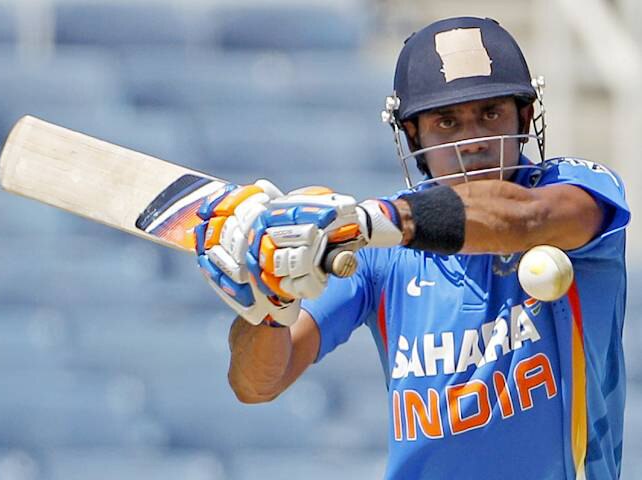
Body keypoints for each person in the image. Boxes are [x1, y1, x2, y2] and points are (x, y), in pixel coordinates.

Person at [193, 17, 630, 480]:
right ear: (413, 134)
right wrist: (271, 302)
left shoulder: (576, 191)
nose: (473, 142)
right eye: (447, 121)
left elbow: (524, 219)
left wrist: (380, 220)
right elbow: (256, 385)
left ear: (524, 118)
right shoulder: (379, 250)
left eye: (490, 113)